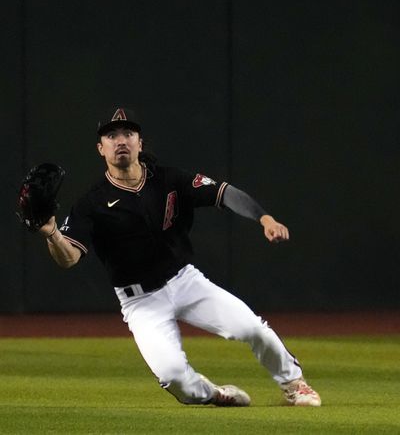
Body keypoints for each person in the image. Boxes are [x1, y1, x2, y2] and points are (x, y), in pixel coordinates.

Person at [39, 107, 321, 407]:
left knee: (251, 327)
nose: (121, 140)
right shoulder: (91, 202)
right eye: (111, 135)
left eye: (128, 133)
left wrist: (263, 218)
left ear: (140, 143)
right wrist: (51, 233)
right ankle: (212, 393)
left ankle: (294, 384)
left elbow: (223, 193)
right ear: (101, 148)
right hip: (140, 301)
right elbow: (68, 258)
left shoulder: (168, 179)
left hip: (185, 282)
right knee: (175, 378)